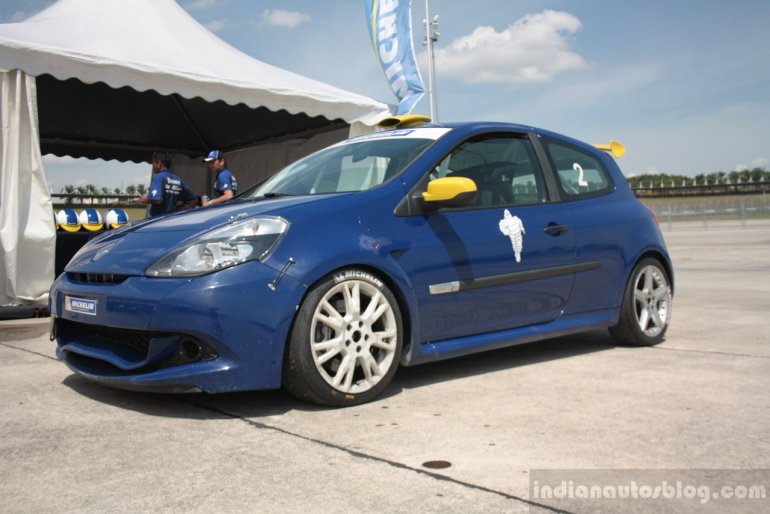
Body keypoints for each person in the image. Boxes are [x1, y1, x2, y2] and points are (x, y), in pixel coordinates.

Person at [139, 152, 198, 217]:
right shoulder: (178, 179)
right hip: (171, 220)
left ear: (159, 163)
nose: (153, 167)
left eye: (153, 164)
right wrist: (175, 212)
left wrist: (145, 199)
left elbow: (157, 200)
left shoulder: (159, 177)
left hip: (158, 220)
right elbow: (193, 201)